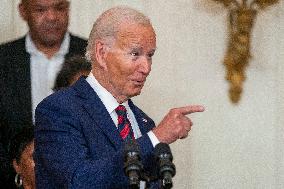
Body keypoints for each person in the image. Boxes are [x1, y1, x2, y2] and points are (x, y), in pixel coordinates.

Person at [34, 6, 205, 189]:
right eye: (135, 54)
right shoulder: (58, 110)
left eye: (150, 55)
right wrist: (156, 138)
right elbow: (78, 181)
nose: (146, 68)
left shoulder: (144, 123)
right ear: (101, 53)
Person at [0, 0, 87, 187]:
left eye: (60, 8)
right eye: (40, 9)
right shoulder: (4, 59)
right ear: (23, 11)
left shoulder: (94, 57)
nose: (52, 17)